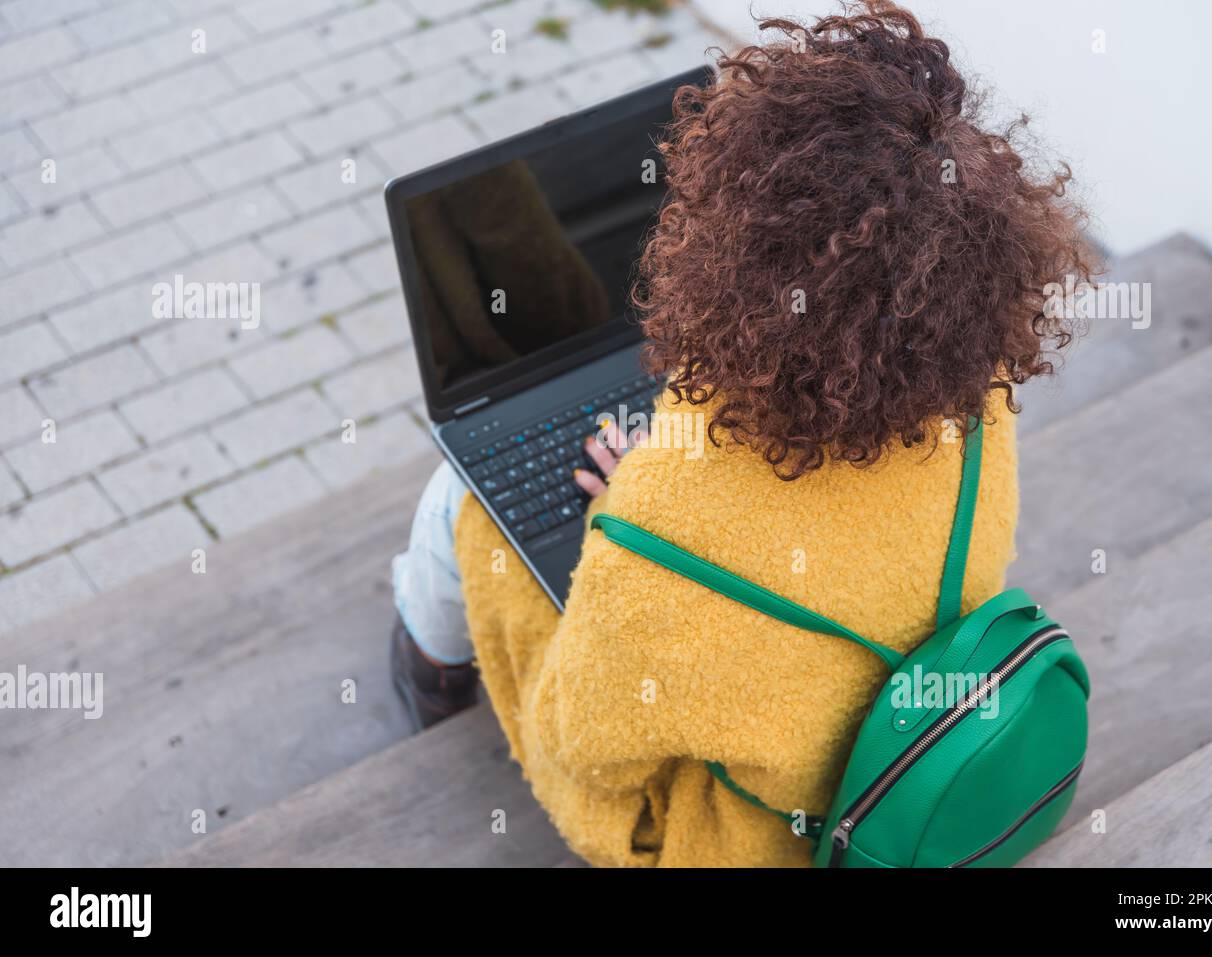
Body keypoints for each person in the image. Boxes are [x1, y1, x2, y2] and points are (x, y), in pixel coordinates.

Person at [390, 0, 1094, 866]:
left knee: (457, 500)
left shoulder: (658, 538)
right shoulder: (976, 394)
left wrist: (625, 525)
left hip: (739, 842)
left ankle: (430, 670)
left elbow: (583, 743)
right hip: (889, 756)